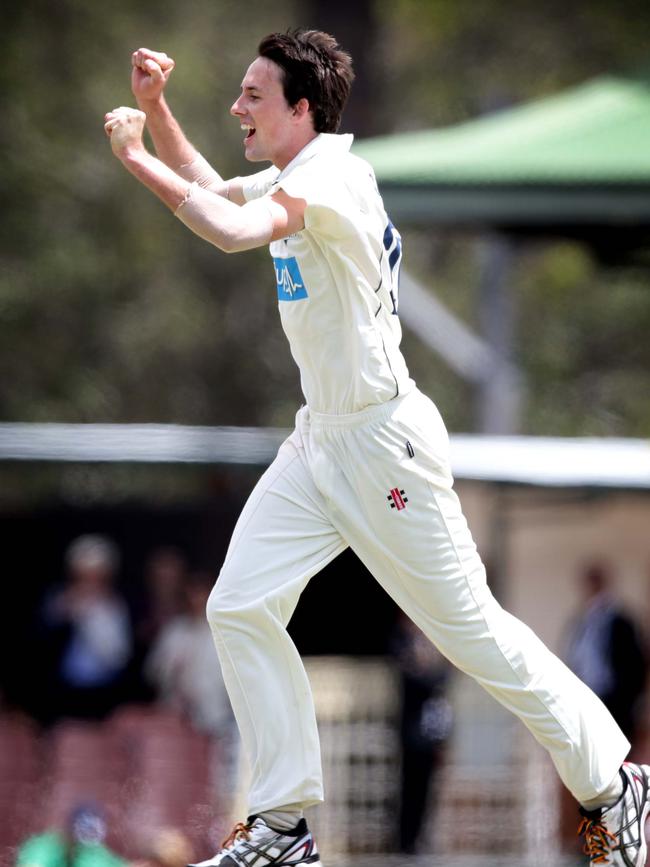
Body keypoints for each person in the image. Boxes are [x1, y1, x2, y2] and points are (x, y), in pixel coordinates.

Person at [104, 30, 650, 867]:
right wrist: (157, 111)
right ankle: (282, 828)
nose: (236, 107)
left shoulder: (331, 178)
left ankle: (616, 783)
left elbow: (223, 228)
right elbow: (214, 191)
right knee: (238, 605)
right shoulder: (295, 174)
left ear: (301, 108)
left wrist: (136, 158)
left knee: (472, 634)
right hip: (319, 438)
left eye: (252, 95)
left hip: (382, 442)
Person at [40, 535, 133, 721]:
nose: (90, 581)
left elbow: (119, 655)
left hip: (106, 691)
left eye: (97, 575)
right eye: (84, 574)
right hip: (64, 690)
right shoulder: (61, 600)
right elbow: (45, 630)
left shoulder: (116, 606)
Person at [566, 562, 647, 745]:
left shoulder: (621, 621)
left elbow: (635, 663)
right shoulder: (582, 620)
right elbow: (576, 656)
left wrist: (632, 701)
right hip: (588, 694)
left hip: (615, 698)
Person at [15, 801, 126, 867]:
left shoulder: (93, 853)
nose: (82, 846)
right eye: (80, 838)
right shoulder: (42, 849)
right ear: (68, 831)